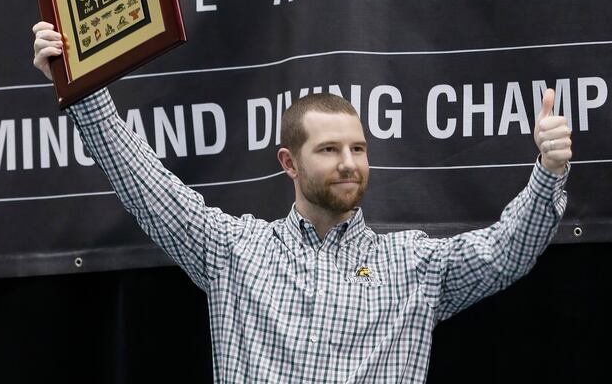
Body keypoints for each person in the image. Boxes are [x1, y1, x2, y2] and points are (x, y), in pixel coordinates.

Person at [32, 21, 572, 383]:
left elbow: (505, 252)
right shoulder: (233, 251)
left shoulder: (414, 265)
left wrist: (547, 172)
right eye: (330, 149)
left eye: (359, 149)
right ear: (288, 163)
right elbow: (144, 184)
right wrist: (80, 85)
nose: (349, 163)